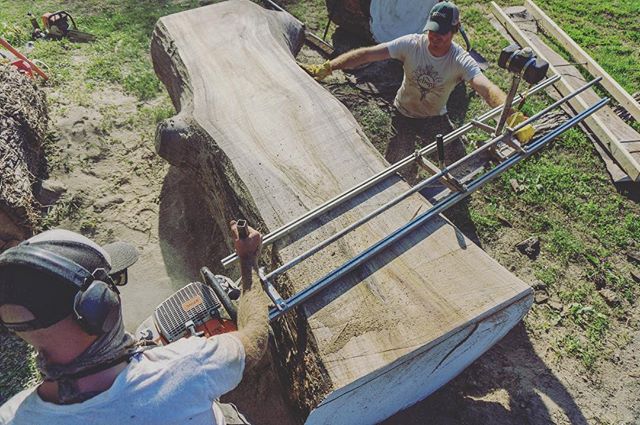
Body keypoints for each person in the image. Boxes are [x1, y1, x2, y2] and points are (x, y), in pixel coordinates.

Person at [0, 222, 269, 425]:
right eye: (112, 282)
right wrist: (248, 262)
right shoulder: (187, 366)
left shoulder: (12, 416)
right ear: (100, 304)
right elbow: (255, 337)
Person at [302, 1, 533, 181]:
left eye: (441, 33)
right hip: (402, 115)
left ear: (455, 30)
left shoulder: (460, 60)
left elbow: (486, 88)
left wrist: (510, 113)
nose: (434, 37)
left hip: (435, 118)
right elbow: (367, 54)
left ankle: (454, 199)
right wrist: (329, 66)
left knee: (460, 166)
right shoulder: (412, 44)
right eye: (432, 30)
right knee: (397, 172)